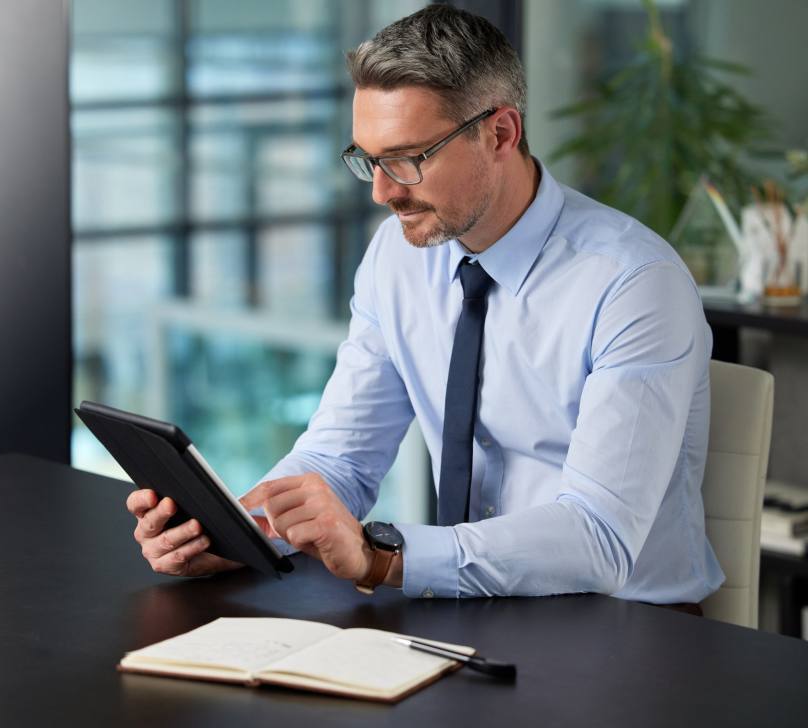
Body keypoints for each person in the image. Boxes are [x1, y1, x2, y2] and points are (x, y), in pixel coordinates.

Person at [126, 5, 724, 607]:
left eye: (409, 158)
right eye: (369, 159)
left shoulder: (634, 283)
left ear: (500, 133)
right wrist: (240, 533)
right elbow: (340, 457)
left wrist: (385, 556)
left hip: (630, 631)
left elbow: (601, 538)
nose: (383, 191)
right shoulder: (400, 253)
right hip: (470, 608)